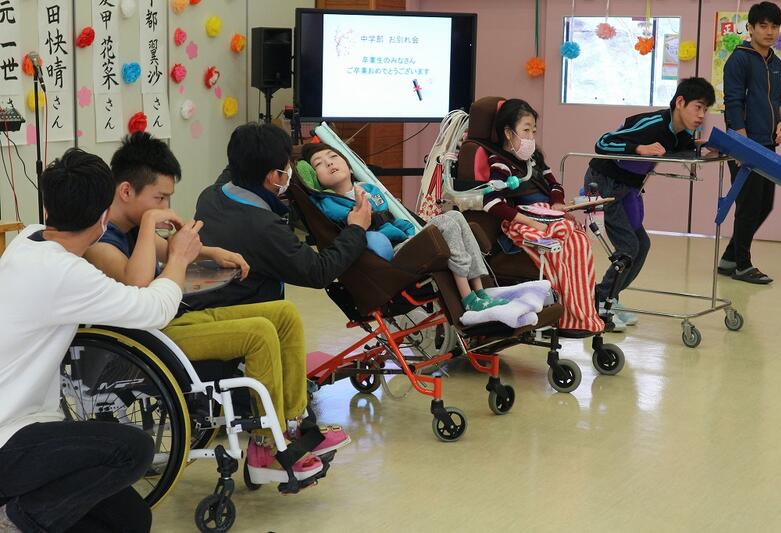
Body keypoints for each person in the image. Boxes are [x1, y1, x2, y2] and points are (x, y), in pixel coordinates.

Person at [84, 133, 347, 486]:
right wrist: (150, 227)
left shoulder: (130, 225)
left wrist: (213, 253)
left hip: (174, 319)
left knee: (284, 315)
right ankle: (265, 447)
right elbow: (139, 287)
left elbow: (168, 249)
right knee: (258, 333)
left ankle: (292, 423)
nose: (166, 207)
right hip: (148, 338)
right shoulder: (100, 241)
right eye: (159, 198)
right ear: (126, 191)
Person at [0, 148, 202, 532]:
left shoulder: (28, 239)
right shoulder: (63, 273)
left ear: (48, 208)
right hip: (8, 439)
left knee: (131, 519)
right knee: (133, 449)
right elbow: (153, 307)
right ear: (105, 216)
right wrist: (178, 258)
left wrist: (152, 231)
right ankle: (14, 522)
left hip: (27, 426)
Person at [300, 142, 510, 313]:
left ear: (348, 163)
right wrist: (358, 205)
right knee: (446, 222)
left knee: (455, 215)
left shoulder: (369, 188)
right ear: (315, 178)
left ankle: (481, 291)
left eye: (333, 156)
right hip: (390, 255)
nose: (329, 163)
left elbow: (391, 219)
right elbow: (351, 221)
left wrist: (410, 231)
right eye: (319, 164)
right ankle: (469, 299)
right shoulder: (328, 203)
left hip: (403, 240)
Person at [191, 122, 372, 310]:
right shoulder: (265, 227)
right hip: (243, 311)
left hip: (204, 299)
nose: (290, 168)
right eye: (287, 165)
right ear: (273, 176)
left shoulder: (210, 195)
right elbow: (318, 271)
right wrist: (356, 229)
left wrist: (304, 150)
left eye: (333, 157)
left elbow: (242, 159)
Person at [585, 77, 716, 328]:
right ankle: (599, 300)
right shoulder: (653, 123)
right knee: (629, 247)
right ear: (680, 102)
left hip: (628, 188)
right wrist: (638, 148)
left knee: (642, 245)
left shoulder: (681, 133)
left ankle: (609, 296)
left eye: (706, 109)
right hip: (605, 183)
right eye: (698, 107)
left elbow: (684, 148)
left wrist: (706, 148)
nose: (702, 115)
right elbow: (603, 142)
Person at [483, 98, 605, 333]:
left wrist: (557, 203)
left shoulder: (534, 160)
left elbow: (554, 185)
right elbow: (492, 203)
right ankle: (565, 314)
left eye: (534, 131)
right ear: (508, 132)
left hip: (547, 215)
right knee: (559, 245)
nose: (531, 136)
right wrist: (533, 223)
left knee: (579, 241)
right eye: (525, 130)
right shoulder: (500, 163)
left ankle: (582, 313)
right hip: (522, 220)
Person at [719, 1, 781, 284]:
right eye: (763, 26)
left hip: (767, 145)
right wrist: (741, 145)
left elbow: (779, 99)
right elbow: (733, 103)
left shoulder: (776, 62)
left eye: (774, 26)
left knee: (764, 205)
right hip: (744, 144)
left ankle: (729, 259)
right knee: (748, 205)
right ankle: (743, 265)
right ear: (750, 28)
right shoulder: (739, 59)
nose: (769, 31)